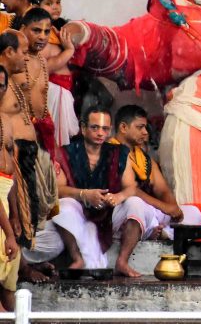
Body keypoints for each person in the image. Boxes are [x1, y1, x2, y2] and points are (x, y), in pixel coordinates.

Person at [50, 106, 146, 277]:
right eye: (95, 127)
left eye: (105, 129)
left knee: (136, 203)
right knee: (62, 205)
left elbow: (131, 187)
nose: (101, 133)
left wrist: (118, 197)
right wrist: (84, 195)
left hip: (109, 214)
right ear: (83, 127)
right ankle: (77, 257)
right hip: (79, 215)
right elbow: (57, 189)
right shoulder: (66, 152)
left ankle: (122, 261)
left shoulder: (119, 152)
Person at [0, 29, 58, 284]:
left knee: (23, 219)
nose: (25, 58)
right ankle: (22, 270)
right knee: (15, 222)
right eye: (22, 52)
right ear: (8, 52)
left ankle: (22, 267)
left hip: (17, 158)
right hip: (10, 162)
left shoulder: (11, 78)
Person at [108, 105, 201, 239]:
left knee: (194, 213)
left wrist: (174, 208)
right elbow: (131, 190)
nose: (145, 132)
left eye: (145, 127)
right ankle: (153, 232)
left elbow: (162, 190)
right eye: (140, 127)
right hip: (121, 211)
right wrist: (165, 207)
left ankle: (165, 234)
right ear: (123, 128)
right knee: (135, 203)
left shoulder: (145, 159)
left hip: (149, 210)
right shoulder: (110, 152)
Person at [29, 0, 77, 150]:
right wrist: (69, 50)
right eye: (49, 3)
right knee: (53, 145)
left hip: (60, 90)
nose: (56, 6)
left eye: (58, 2)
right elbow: (40, 69)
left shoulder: (57, 30)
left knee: (56, 144)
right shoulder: (41, 33)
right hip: (53, 91)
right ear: (35, 6)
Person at [17, 7, 64, 158]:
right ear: (23, 29)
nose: (42, 37)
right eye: (36, 30)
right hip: (17, 135)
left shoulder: (43, 61)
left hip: (41, 136)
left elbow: (42, 107)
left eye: (47, 31)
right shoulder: (12, 60)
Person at [0, 67, 23, 310]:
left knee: (9, 290)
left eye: (2, 85)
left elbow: (12, 173)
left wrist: (15, 214)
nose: (0, 90)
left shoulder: (6, 120)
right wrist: (8, 233)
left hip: (5, 201)